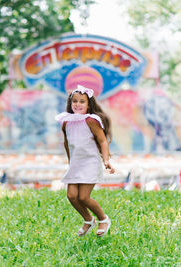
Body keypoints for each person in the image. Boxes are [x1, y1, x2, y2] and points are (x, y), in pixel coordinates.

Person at [55, 84, 115, 237]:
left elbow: (102, 141)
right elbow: (67, 142)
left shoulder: (91, 120)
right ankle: (88, 220)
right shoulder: (66, 121)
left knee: (84, 197)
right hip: (76, 163)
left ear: (89, 104)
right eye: (74, 101)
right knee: (72, 196)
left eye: (82, 101)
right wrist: (70, 161)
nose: (77, 104)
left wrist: (106, 160)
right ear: (70, 103)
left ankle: (103, 219)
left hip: (90, 162)